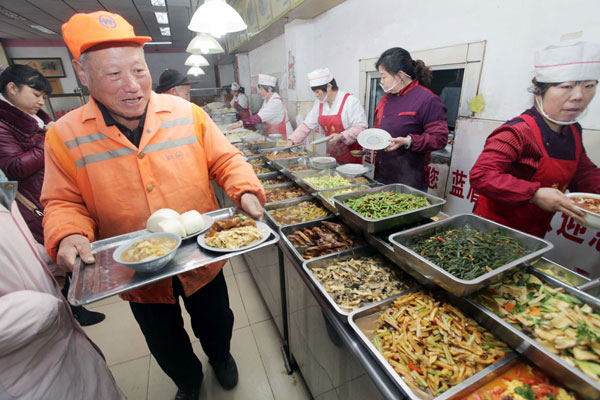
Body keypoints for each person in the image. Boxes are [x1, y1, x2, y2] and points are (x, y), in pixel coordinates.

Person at [41, 11, 266, 400]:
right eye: (114, 75)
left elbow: (226, 160)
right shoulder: (65, 135)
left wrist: (243, 188)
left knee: (217, 321)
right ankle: (188, 381)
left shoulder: (187, 114)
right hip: (135, 268)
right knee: (163, 340)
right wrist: (68, 234)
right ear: (82, 73)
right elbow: (63, 200)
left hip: (201, 256)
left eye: (139, 71)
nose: (132, 86)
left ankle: (221, 358)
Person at [0, 171, 124, 399]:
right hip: (25, 377)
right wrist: (47, 306)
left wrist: (47, 261)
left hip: (62, 350)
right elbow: (62, 200)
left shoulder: (4, 193)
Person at [0, 64, 105, 327]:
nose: (40, 101)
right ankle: (70, 312)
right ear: (12, 89)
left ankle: (75, 306)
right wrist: (49, 141)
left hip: (47, 191)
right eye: (36, 94)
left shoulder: (33, 117)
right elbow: (14, 167)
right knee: (53, 257)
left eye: (43, 97)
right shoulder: (4, 124)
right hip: (33, 201)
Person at [470, 41, 600, 238]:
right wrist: (535, 194)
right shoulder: (517, 131)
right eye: (567, 87)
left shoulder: (573, 130)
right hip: (491, 231)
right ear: (539, 90)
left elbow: (583, 173)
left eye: (589, 86)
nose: (579, 96)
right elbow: (482, 175)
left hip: (532, 233)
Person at [373, 47, 449, 190]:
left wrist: (409, 141)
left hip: (411, 179)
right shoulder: (385, 99)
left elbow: (440, 138)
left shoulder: (427, 100)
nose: (381, 81)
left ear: (400, 75)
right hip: (384, 174)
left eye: (384, 76)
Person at [286, 68, 367, 164]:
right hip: (332, 153)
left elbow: (361, 127)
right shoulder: (320, 103)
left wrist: (341, 136)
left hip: (350, 154)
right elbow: (307, 125)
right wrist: (292, 140)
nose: (316, 95)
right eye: (314, 92)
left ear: (329, 86)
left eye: (317, 92)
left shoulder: (351, 101)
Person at [227, 74, 292, 138]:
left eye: (261, 89)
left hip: (282, 133)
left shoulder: (275, 102)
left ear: (269, 89)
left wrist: (240, 124)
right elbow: (260, 114)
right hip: (273, 131)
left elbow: (258, 118)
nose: (259, 92)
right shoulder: (267, 100)